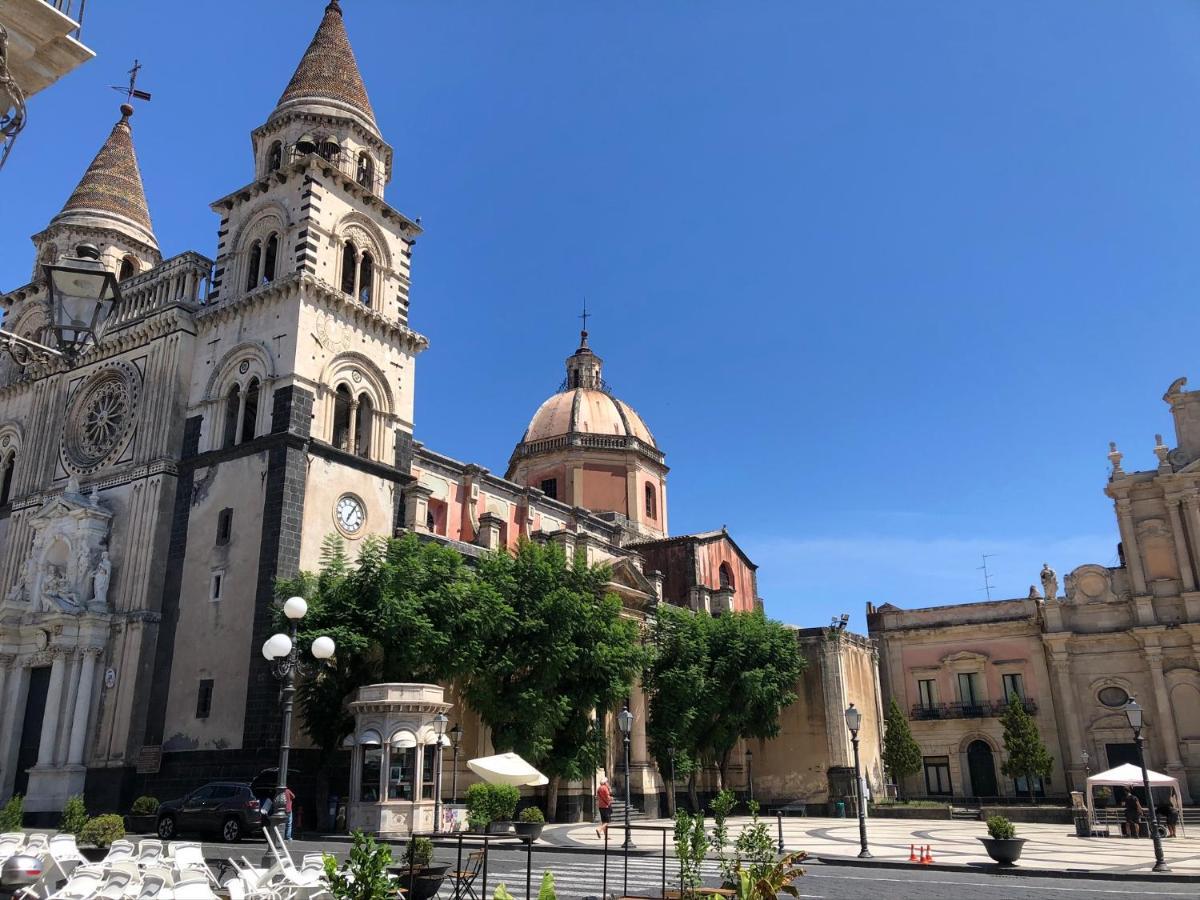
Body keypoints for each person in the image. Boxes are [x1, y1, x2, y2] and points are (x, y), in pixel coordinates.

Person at [595, 776, 612, 840]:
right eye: (607, 782)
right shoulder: (605, 788)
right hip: (606, 806)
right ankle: (599, 829)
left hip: (600, 806)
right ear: (605, 782)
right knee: (607, 821)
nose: (608, 783)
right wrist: (611, 798)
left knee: (603, 821)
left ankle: (606, 836)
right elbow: (608, 797)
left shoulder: (599, 788)